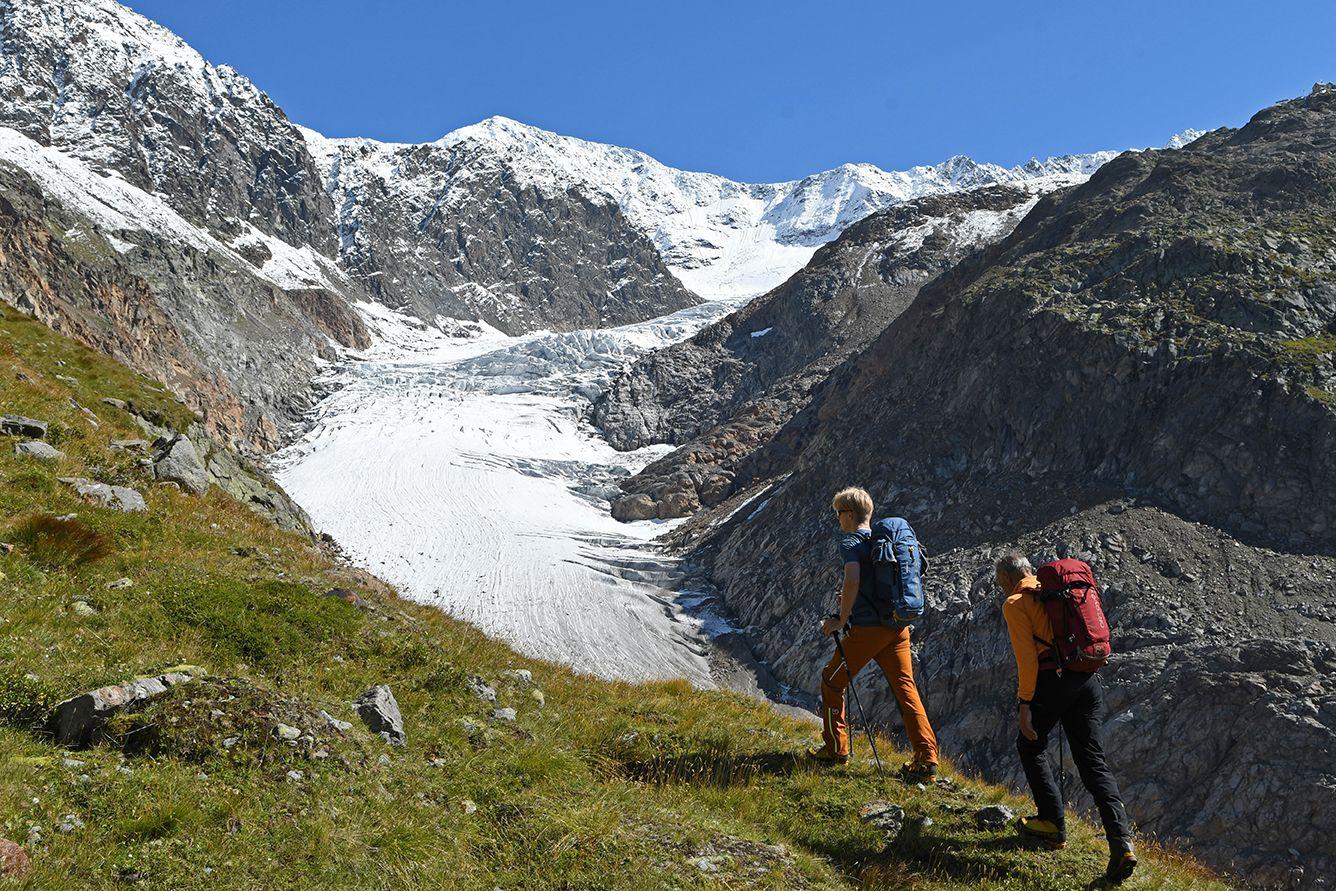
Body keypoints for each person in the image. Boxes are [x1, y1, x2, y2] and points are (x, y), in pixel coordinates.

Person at [995, 551, 1137, 884]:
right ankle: (1122, 844)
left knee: (1030, 744)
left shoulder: (1015, 603)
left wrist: (1025, 704)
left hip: (1053, 681)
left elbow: (1027, 661)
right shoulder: (1053, 590)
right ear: (1030, 571)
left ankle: (1052, 824)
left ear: (1005, 579)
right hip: (1087, 679)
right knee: (1093, 762)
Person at [808, 486, 939, 781]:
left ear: (850, 514)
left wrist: (841, 620)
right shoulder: (887, 541)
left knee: (831, 681)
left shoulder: (851, 542)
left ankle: (835, 749)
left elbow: (852, 578)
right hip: (897, 627)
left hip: (868, 631)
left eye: (839, 513)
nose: (838, 519)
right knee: (905, 688)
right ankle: (926, 758)